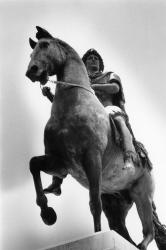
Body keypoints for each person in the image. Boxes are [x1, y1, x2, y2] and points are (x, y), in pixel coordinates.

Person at [42, 48, 151, 195]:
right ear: (84, 63)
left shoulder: (109, 75)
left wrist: (93, 86)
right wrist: (51, 96)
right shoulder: (79, 80)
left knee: (118, 119)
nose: (93, 59)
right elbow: (69, 103)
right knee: (62, 131)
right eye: (90, 58)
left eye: (96, 58)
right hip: (86, 116)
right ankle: (57, 180)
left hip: (107, 110)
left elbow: (115, 88)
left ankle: (129, 157)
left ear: (100, 63)